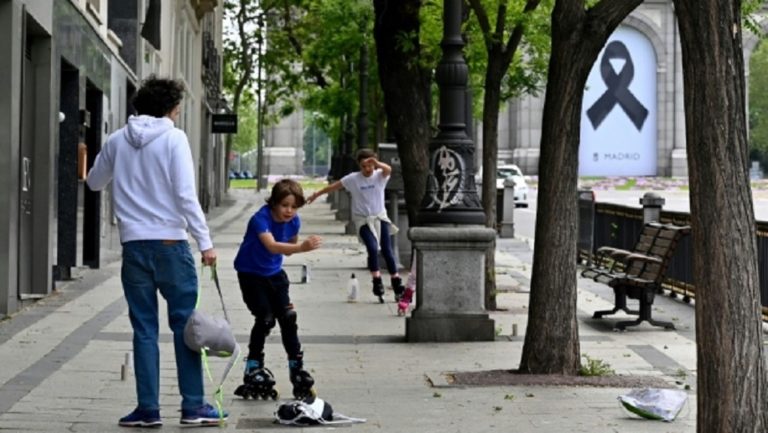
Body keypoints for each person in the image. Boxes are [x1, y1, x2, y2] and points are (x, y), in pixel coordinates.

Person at [86, 76, 225, 427]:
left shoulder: (116, 140)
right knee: (184, 326)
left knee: (144, 328)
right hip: (170, 245)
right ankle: (193, 406)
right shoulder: (174, 139)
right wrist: (205, 242)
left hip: (133, 247)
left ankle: (148, 410)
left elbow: (93, 182)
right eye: (177, 107)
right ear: (170, 108)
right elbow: (184, 195)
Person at [233, 179, 322, 400]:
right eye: (284, 205)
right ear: (274, 203)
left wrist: (297, 247)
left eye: (294, 206)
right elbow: (272, 246)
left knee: (288, 317)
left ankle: (296, 366)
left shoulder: (294, 221)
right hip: (251, 275)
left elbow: (288, 250)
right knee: (265, 318)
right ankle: (253, 365)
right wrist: (302, 247)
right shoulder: (260, 219)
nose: (289, 211)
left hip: (274, 275)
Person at [307, 148, 404, 303]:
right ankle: (377, 281)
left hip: (380, 218)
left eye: (370, 165)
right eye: (363, 166)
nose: (367, 169)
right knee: (372, 248)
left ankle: (396, 282)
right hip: (362, 220)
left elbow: (388, 169)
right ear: (359, 165)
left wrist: (376, 163)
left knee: (387, 251)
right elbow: (333, 187)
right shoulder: (353, 179)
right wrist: (316, 195)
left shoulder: (379, 176)